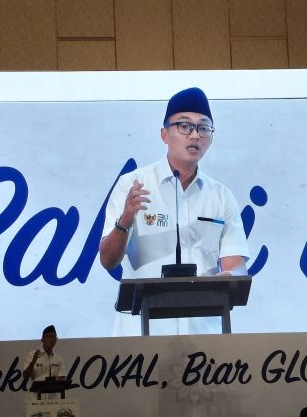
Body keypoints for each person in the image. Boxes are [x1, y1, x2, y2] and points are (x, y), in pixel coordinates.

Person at [99, 87, 250, 334]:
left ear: (211, 138)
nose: (195, 135)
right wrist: (126, 219)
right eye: (184, 126)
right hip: (140, 335)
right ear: (164, 134)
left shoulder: (221, 196)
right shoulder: (132, 185)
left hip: (204, 333)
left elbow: (237, 266)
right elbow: (108, 260)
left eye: (203, 128)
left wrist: (227, 277)